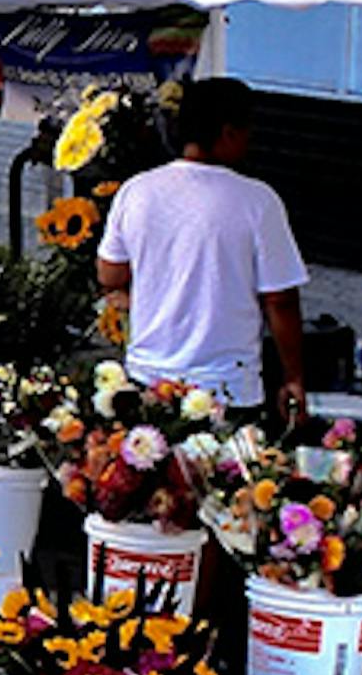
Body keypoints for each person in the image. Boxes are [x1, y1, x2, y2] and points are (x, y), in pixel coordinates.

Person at [99, 78, 309, 423]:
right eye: (247, 130)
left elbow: (110, 274)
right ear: (228, 132)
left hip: (146, 378)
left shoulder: (136, 191)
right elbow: (280, 301)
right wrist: (294, 379)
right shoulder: (258, 201)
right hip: (228, 388)